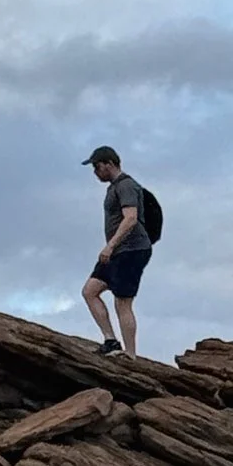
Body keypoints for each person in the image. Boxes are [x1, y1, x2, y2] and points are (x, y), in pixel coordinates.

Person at [81, 144, 152, 355]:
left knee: (123, 302)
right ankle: (111, 341)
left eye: (97, 167)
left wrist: (110, 245)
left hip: (131, 250)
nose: (95, 172)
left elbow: (130, 218)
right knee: (90, 291)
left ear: (109, 164)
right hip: (116, 251)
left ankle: (130, 355)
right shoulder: (112, 188)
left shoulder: (126, 185)